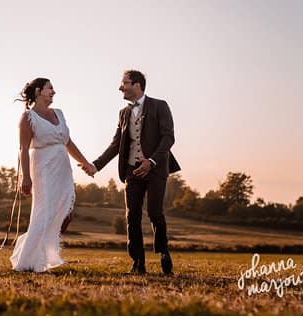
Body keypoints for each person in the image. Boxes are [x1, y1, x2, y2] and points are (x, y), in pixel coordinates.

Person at [90, 70, 181, 276]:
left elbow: (168, 138)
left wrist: (152, 161)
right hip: (132, 170)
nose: (120, 87)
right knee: (132, 215)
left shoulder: (160, 106)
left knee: (156, 213)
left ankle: (164, 253)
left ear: (137, 85)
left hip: (156, 168)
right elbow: (116, 144)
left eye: (124, 83)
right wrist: (96, 165)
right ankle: (138, 263)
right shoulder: (123, 113)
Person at [10, 78, 97, 272]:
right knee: (44, 211)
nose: (54, 92)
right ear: (39, 91)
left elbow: (67, 142)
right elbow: (23, 149)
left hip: (63, 168)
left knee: (65, 211)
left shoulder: (59, 114)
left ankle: (43, 253)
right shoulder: (28, 117)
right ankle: (29, 261)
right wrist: (26, 177)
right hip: (43, 167)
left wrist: (85, 163)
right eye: (50, 88)